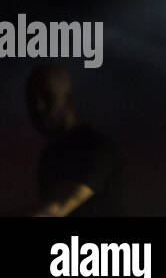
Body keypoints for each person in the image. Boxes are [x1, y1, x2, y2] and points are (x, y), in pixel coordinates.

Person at [13, 65, 126, 216]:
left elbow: (55, 209)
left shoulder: (95, 148)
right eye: (31, 100)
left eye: (48, 97)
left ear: (69, 99)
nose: (38, 107)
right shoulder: (50, 156)